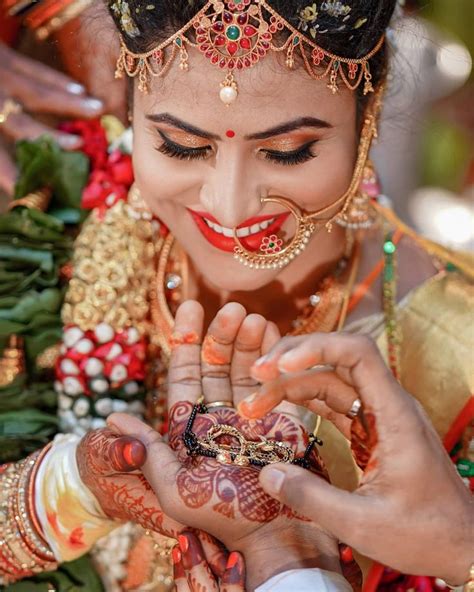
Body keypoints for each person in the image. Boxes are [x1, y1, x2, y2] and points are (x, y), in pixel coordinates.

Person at [0, 0, 472, 590]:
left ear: (367, 115)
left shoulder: (458, 344)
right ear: (130, 108)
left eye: (288, 151)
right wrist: (70, 487)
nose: (229, 205)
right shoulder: (46, 251)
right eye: (179, 145)